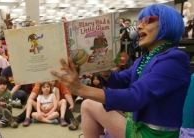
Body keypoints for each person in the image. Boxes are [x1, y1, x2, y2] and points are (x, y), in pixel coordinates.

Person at [51, 4, 191, 138]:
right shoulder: (147, 57)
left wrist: (81, 90)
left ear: (167, 24)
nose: (139, 26)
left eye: (146, 21)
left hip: (152, 135)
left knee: (88, 105)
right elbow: (124, 79)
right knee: (92, 105)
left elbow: (134, 97)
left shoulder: (174, 60)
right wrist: (106, 73)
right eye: (139, 21)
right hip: (139, 124)